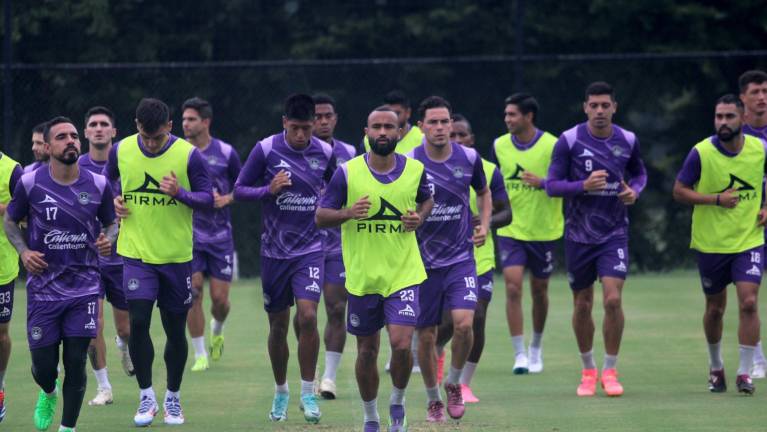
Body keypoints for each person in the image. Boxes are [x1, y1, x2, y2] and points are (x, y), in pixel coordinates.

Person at [316, 106, 433, 432]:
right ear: (366, 132)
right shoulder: (348, 173)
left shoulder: (415, 169)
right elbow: (321, 215)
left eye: (389, 127)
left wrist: (419, 218)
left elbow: (427, 200)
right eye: (376, 127)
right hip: (364, 277)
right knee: (367, 351)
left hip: (404, 274)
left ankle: (397, 401)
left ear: (399, 132)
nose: (383, 132)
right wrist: (349, 213)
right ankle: (370, 416)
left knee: (399, 343)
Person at [4, 116, 118, 432]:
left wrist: (109, 239)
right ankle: (49, 392)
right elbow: (11, 222)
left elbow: (111, 223)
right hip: (43, 290)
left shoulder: (98, 184)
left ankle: (68, 428)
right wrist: (24, 252)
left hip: (84, 288)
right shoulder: (30, 183)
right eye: (62, 137)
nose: (70, 141)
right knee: (43, 367)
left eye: (73, 136)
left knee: (76, 361)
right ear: (49, 146)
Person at [105, 98, 213, 426]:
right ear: (136, 126)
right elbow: (106, 182)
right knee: (138, 321)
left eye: (158, 137)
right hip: (136, 254)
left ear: (169, 127)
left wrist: (180, 192)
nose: (151, 144)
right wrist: (114, 200)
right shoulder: (120, 150)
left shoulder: (188, 155)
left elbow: (209, 200)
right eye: (145, 136)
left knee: (174, 330)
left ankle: (174, 398)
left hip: (176, 258)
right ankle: (146, 396)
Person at [233, 94, 334, 424]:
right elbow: (239, 190)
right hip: (274, 252)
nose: (302, 136)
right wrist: (268, 190)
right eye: (296, 129)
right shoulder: (266, 149)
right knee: (277, 325)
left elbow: (339, 188)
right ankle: (281, 391)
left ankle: (308, 391)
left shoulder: (326, 153)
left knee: (308, 316)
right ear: (284, 124)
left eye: (308, 129)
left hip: (310, 251)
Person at [546, 81, 646, 397]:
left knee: (613, 299)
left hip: (614, 233)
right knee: (582, 304)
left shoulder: (628, 139)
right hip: (578, 235)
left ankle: (611, 370)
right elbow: (551, 185)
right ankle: (588, 370)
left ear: (614, 107)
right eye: (594, 105)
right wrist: (582, 186)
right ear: (585, 107)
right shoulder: (569, 141)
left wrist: (635, 191)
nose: (600, 110)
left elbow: (640, 174)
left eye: (605, 105)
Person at [673, 94, 765, 395]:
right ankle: (716, 368)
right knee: (715, 309)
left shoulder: (760, 148)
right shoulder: (701, 152)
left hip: (749, 240)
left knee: (749, 302)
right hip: (711, 244)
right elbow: (680, 191)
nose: (723, 122)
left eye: (729, 117)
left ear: (744, 119)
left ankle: (744, 373)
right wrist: (715, 199)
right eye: (719, 117)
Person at [408, 96, 491, 422]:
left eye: (446, 122)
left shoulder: (469, 158)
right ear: (421, 127)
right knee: (426, 336)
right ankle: (433, 400)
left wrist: (484, 224)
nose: (441, 128)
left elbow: (483, 194)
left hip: (460, 260)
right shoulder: (409, 161)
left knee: (464, 324)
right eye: (434, 122)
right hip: (421, 263)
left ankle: (454, 382)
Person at [434, 113, 511, 404]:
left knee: (475, 319)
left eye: (460, 135)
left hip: (479, 258)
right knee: (443, 325)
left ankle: (463, 384)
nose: (455, 140)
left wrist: (487, 222)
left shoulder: (488, 170)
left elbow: (507, 212)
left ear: (471, 140)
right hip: (440, 257)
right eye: (450, 135)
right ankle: (438, 357)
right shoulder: (427, 167)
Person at [492, 94, 563, 374]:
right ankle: (519, 353)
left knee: (539, 290)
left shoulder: (553, 145)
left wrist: (543, 183)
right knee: (512, 286)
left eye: (513, 114)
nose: (508, 119)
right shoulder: (499, 144)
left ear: (529, 116)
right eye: (506, 114)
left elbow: (561, 183)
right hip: (511, 228)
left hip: (544, 229)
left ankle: (536, 347)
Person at [78, 106, 134, 408]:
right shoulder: (76, 167)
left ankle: (123, 345)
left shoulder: (128, 164)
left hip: (123, 257)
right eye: (93, 125)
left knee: (126, 328)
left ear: (114, 132)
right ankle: (104, 387)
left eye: (104, 124)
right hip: (88, 261)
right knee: (93, 325)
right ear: (85, 132)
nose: (98, 129)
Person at [181, 97, 241, 372]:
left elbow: (243, 187)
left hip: (220, 238)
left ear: (205, 122)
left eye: (191, 119)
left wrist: (226, 199)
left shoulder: (226, 153)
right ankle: (200, 354)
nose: (185, 124)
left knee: (220, 300)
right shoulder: (177, 152)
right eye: (183, 119)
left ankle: (217, 328)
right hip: (190, 236)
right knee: (193, 292)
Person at [312, 93, 357, 399]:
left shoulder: (351, 152)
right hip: (303, 243)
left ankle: (328, 377)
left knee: (336, 307)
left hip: (338, 244)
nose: (324, 121)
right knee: (304, 314)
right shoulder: (298, 151)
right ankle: (306, 373)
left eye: (328, 116)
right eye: (318, 116)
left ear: (336, 118)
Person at [739, 69, 767, 378]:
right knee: (749, 298)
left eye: (766, 91)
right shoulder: (735, 136)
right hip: (748, 229)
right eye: (756, 92)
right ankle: (757, 358)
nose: (762, 98)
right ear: (744, 99)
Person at [0, 148, 22, 422]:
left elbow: (27, 209)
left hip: (2, 264)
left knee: (1, 334)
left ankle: (0, 386)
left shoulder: (12, 169)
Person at [362, 91, 424, 155]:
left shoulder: (422, 137)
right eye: (389, 112)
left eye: (397, 113)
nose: (392, 117)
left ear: (408, 112)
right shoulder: (368, 139)